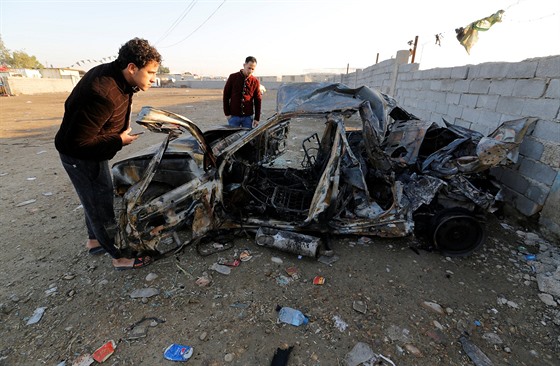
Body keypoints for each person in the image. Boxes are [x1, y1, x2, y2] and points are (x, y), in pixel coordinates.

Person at [54, 38, 161, 270]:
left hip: (89, 151)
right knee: (100, 203)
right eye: (150, 72)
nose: (154, 78)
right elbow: (81, 142)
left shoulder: (117, 77)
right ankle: (120, 257)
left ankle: (94, 241)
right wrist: (118, 139)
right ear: (132, 67)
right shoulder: (103, 91)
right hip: (80, 156)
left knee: (94, 196)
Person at [223, 56, 262, 129]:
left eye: (253, 69)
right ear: (244, 65)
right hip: (233, 116)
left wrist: (257, 118)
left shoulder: (255, 81)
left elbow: (258, 100)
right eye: (249, 68)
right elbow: (226, 95)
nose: (250, 71)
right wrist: (227, 113)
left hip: (248, 117)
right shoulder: (233, 77)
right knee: (233, 138)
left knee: (247, 139)